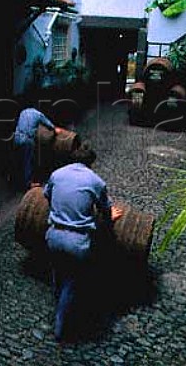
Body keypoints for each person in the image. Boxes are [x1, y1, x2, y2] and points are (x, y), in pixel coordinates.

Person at [43, 143, 123, 341]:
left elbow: (47, 195)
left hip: (53, 236)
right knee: (71, 281)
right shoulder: (96, 181)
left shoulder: (57, 174)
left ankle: (57, 296)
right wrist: (109, 216)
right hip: (77, 242)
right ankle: (60, 329)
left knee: (57, 270)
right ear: (90, 163)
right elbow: (105, 210)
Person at [13, 106, 61, 191]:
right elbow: (47, 123)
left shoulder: (23, 112)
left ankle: (18, 181)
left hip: (16, 137)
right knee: (28, 161)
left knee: (20, 160)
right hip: (26, 139)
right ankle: (29, 183)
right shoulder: (37, 114)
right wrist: (54, 128)